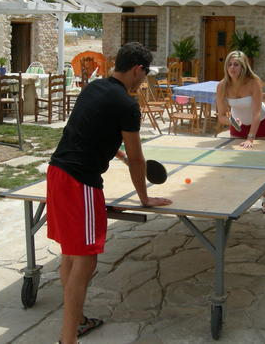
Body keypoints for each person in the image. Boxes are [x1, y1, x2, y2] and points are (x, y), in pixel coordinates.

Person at [46, 42, 173, 344]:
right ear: (137, 70)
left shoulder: (93, 88)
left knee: (70, 253)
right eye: (145, 74)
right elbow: (139, 158)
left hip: (57, 172)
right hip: (81, 182)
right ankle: (68, 339)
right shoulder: (128, 105)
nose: (144, 80)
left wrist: (119, 155)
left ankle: (75, 323)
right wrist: (144, 198)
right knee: (86, 261)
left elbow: (88, 130)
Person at [215, 50, 265, 213]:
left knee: (260, 162)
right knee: (237, 161)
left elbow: (255, 113)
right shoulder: (222, 86)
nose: (232, 68)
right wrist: (231, 121)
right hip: (238, 125)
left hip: (260, 123)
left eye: (236, 64)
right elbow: (220, 116)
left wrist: (250, 138)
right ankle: (239, 198)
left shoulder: (254, 82)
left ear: (244, 67)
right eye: (229, 64)